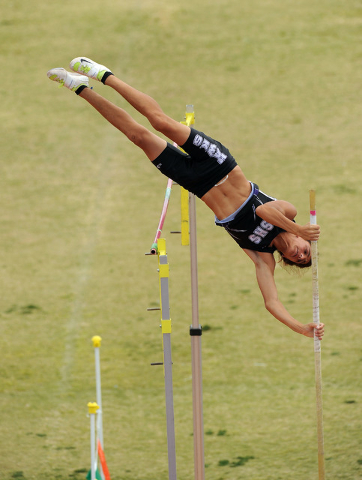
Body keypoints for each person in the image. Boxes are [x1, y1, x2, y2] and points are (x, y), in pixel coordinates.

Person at [47, 57, 325, 341]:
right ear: (306, 241)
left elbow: (271, 302)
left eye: (299, 261)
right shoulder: (289, 213)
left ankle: (80, 88)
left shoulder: (261, 255)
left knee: (138, 136)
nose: (301, 255)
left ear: (285, 262)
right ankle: (102, 74)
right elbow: (265, 212)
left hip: (196, 184)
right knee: (160, 122)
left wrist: (300, 327)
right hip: (219, 164)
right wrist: (298, 229)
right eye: (306, 252)